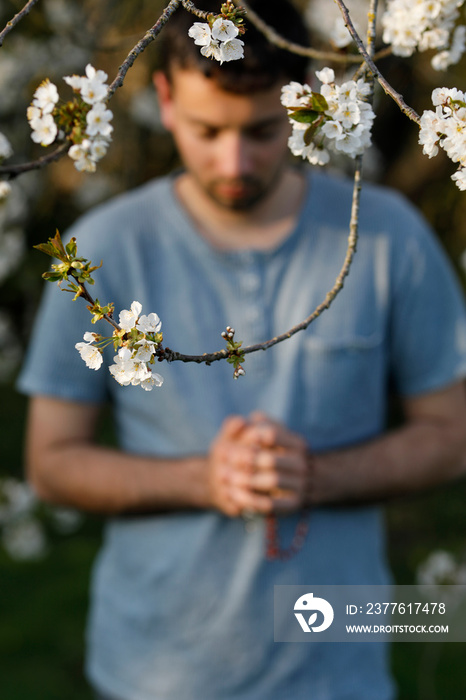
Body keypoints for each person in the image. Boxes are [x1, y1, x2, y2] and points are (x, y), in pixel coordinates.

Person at [17, 1, 466, 699]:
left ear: (302, 104)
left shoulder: (385, 238)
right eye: (208, 130)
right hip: (157, 670)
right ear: (164, 99)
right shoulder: (103, 250)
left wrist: (312, 476)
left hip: (336, 668)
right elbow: (50, 463)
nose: (235, 160)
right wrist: (207, 480)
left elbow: (454, 434)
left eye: (261, 130)